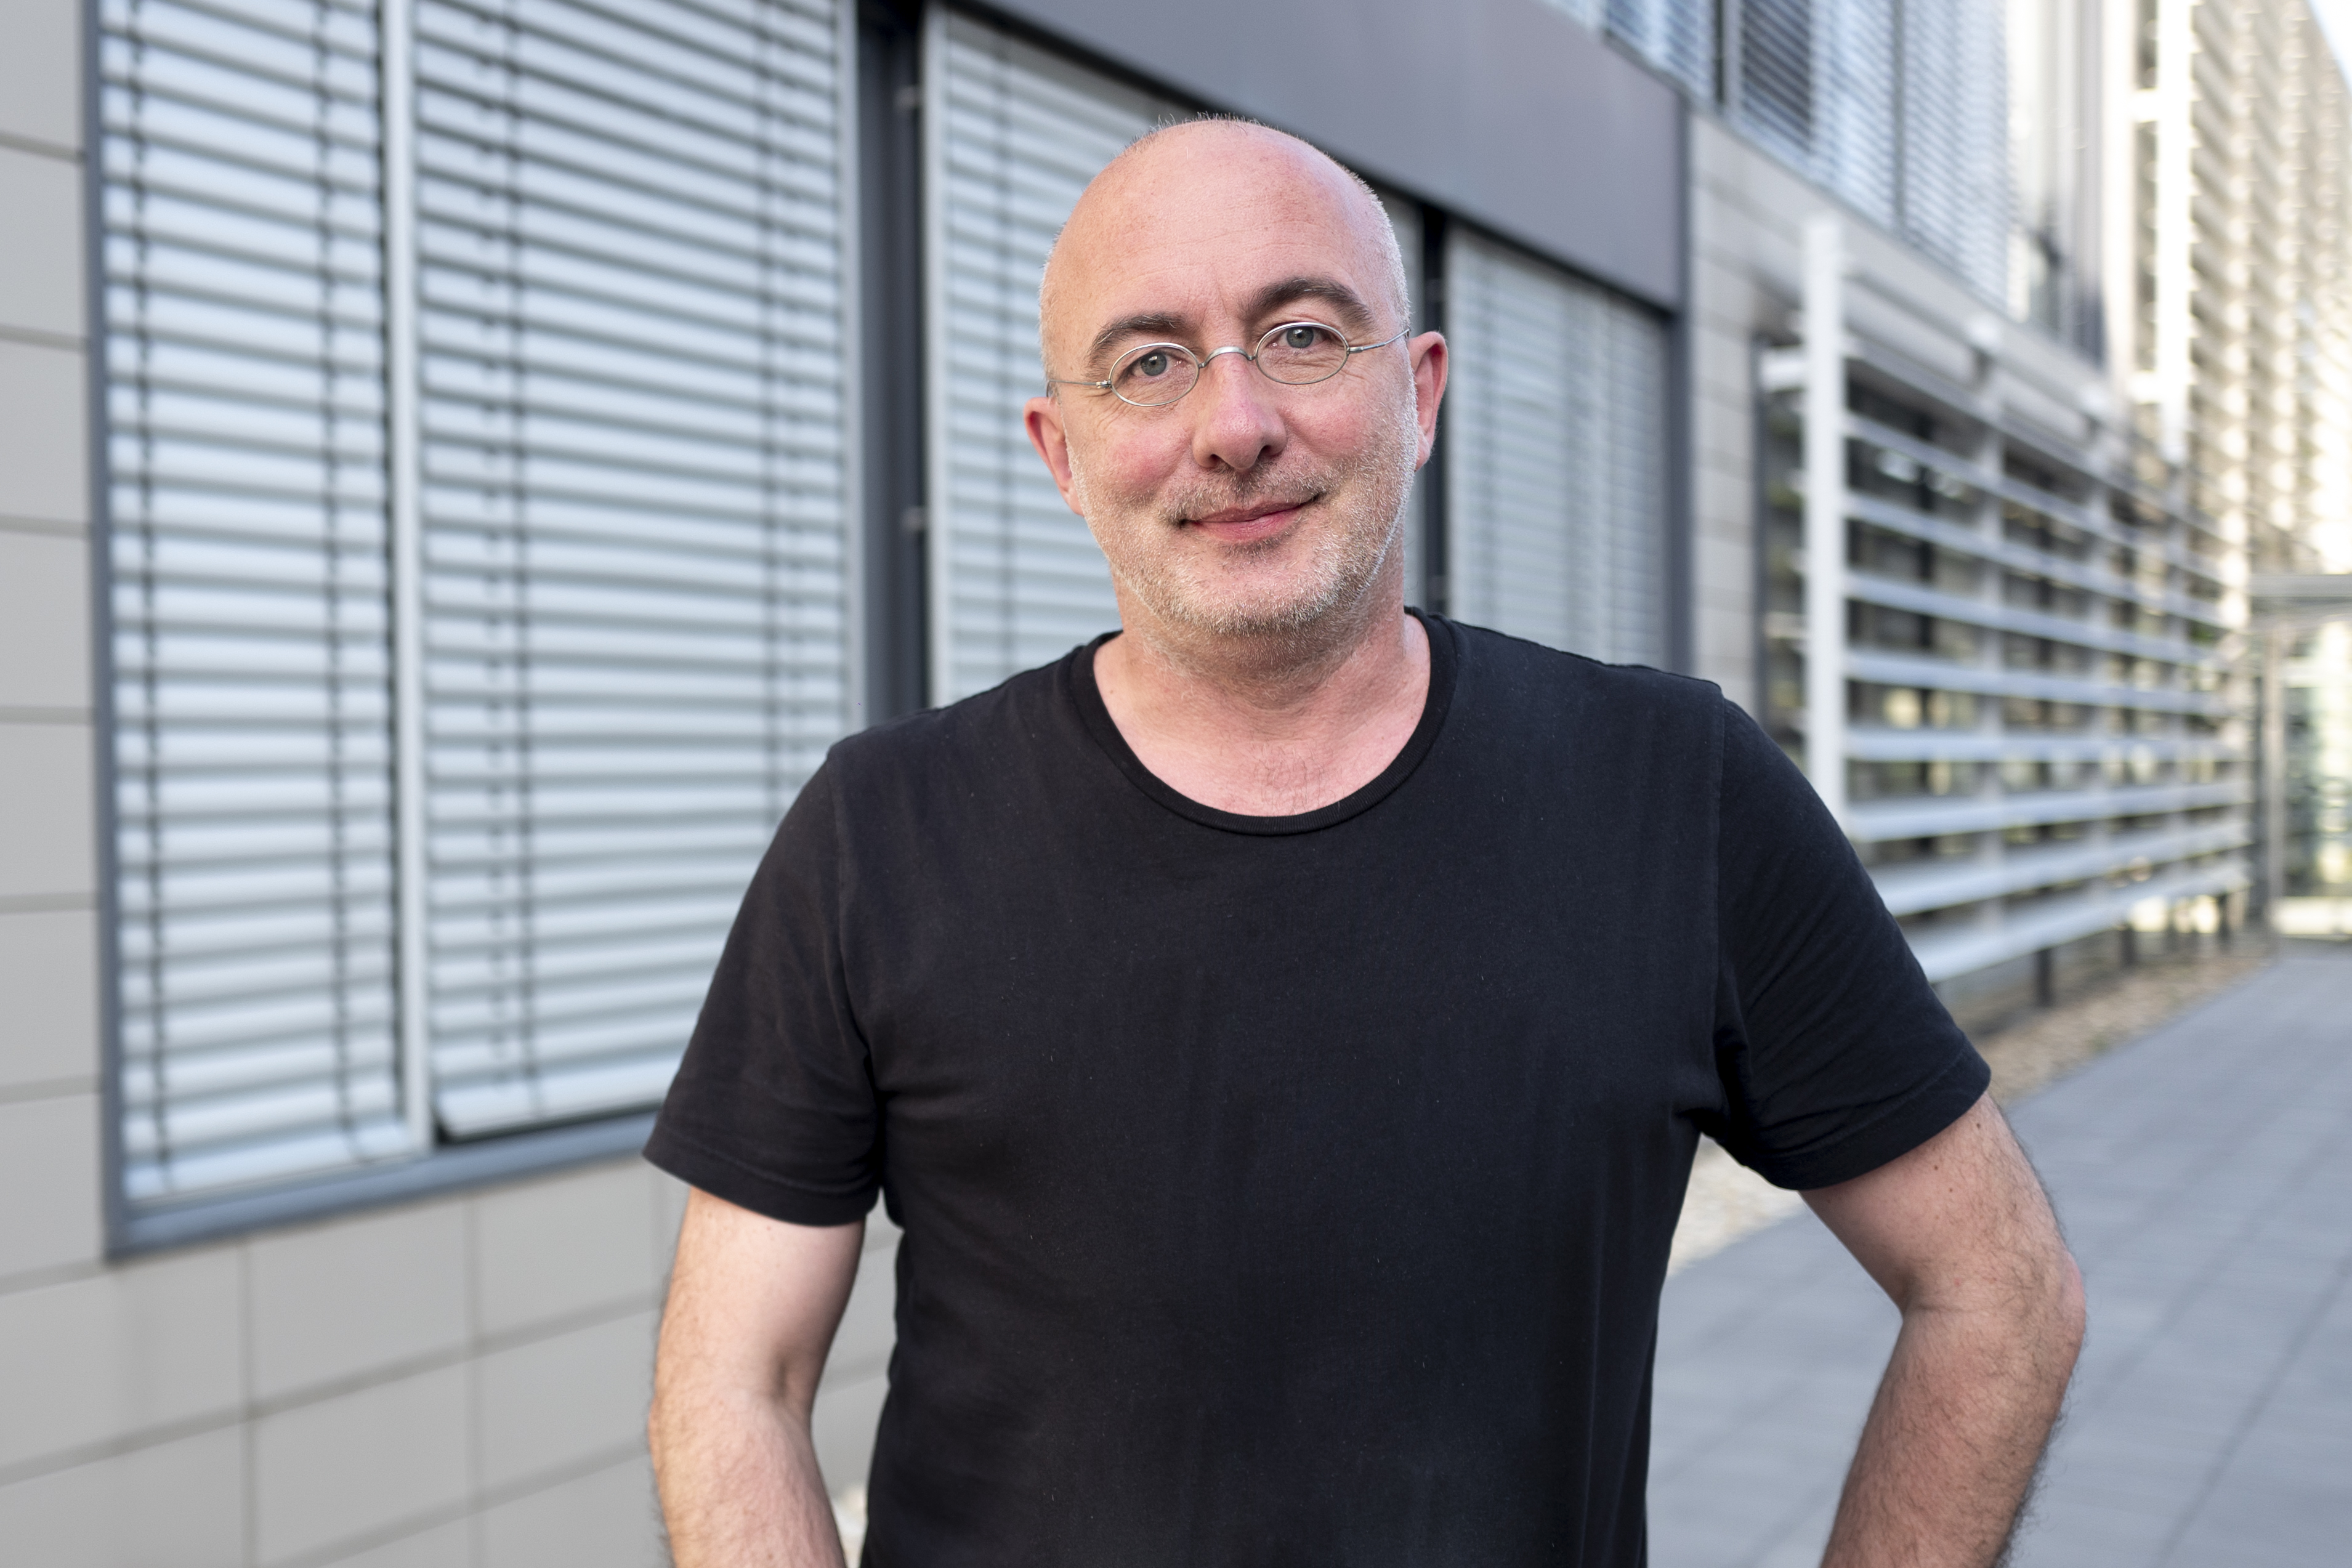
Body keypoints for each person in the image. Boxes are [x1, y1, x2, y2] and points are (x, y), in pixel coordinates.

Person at [644, 119, 2084, 1568]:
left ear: (1420, 388)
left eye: (1302, 335)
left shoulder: (1673, 793)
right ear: (1060, 455)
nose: (1233, 425)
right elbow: (733, 1384)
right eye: (1147, 363)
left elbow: (1996, 1291)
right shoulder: (882, 833)